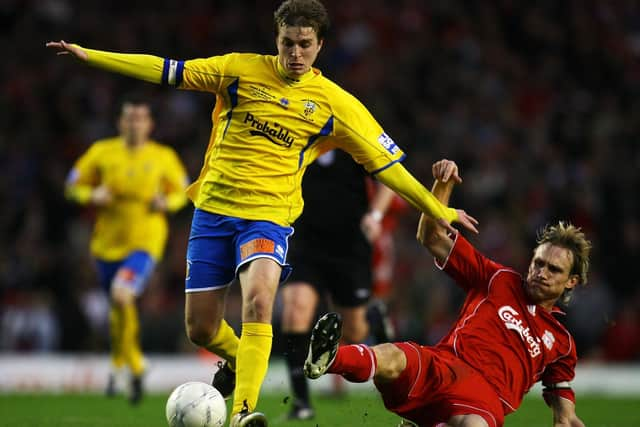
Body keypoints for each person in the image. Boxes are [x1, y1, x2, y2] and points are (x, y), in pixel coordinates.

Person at [47, 1, 478, 425]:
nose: (295, 54)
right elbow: (168, 69)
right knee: (200, 329)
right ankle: (240, 358)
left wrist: (437, 207)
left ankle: (242, 413)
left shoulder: (335, 104)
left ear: (320, 45)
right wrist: (92, 56)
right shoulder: (238, 69)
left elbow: (389, 170)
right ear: (276, 39)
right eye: (287, 43)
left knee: (257, 302)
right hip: (213, 213)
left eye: (304, 45)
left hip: (269, 217)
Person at [304, 159, 590, 427]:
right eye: (538, 263)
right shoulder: (499, 279)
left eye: (553, 269)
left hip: (483, 400)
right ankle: (327, 359)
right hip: (441, 367)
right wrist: (443, 186)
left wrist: (567, 418)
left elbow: (564, 411)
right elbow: (431, 238)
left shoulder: (562, 345)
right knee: (393, 356)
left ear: (571, 282)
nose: (541, 272)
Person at [65, 98, 189, 404]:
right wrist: (92, 194)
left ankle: (131, 364)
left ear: (150, 124)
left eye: (140, 119)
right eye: (129, 118)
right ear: (120, 123)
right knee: (118, 309)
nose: (135, 124)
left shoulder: (163, 156)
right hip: (106, 245)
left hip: (145, 242)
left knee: (122, 295)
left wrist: (167, 202)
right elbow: (71, 185)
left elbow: (183, 191)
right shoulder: (101, 152)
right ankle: (124, 364)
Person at [280, 149, 396, 420]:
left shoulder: (353, 141)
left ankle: (374, 319)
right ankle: (301, 403)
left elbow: (391, 176)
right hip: (305, 245)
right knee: (295, 310)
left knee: (354, 333)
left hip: (350, 249)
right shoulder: (299, 140)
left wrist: (376, 216)